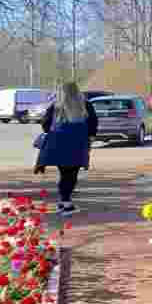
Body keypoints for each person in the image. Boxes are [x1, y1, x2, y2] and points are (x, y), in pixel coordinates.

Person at [34, 82, 98, 216]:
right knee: (72, 174)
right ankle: (67, 204)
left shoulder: (56, 106)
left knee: (64, 173)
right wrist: (91, 137)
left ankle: (63, 202)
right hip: (78, 144)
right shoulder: (86, 105)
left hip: (58, 144)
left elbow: (45, 124)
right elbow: (93, 124)